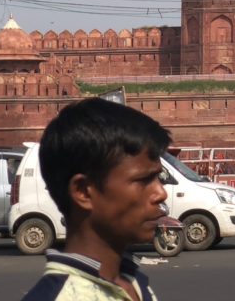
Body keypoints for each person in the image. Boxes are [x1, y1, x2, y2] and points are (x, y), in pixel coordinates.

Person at [21, 97, 171, 301]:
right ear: (83, 191)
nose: (161, 193)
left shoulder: (136, 286)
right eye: (144, 180)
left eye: (158, 178)